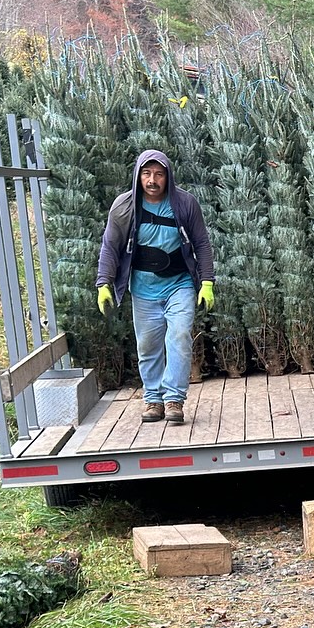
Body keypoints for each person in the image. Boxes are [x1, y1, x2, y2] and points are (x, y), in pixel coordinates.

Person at [96, 150, 215, 426]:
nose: (152, 180)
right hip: (143, 289)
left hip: (180, 284)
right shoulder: (124, 207)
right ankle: (153, 400)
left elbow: (201, 243)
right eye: (147, 174)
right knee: (148, 347)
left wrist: (206, 282)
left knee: (180, 336)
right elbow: (110, 247)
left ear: (167, 176)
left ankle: (174, 399)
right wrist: (104, 283)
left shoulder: (185, 203)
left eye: (159, 174)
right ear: (138, 176)